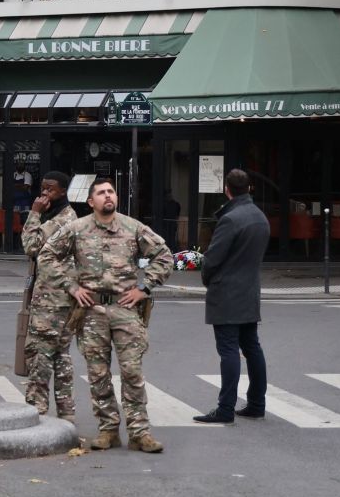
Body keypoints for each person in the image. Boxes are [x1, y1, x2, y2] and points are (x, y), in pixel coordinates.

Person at [39, 177, 173, 453]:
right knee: (98, 374)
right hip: (91, 312)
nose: (107, 196)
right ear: (91, 202)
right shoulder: (76, 229)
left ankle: (139, 433)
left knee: (131, 372)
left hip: (126, 310)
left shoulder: (133, 227)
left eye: (111, 191)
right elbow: (46, 256)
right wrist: (71, 286)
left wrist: (144, 288)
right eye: (101, 193)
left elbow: (164, 256)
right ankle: (108, 430)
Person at [193, 169, 270, 424]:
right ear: (249, 188)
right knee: (252, 348)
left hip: (227, 292)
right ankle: (257, 403)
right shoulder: (260, 217)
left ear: (227, 189)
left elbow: (212, 259)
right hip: (249, 291)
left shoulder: (230, 219)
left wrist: (208, 278)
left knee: (228, 351)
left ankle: (225, 408)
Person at [21, 171, 78, 420]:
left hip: (53, 300)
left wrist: (34, 212)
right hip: (57, 296)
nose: (44, 194)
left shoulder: (63, 218)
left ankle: (38, 411)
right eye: (43, 188)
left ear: (63, 191)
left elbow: (31, 245)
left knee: (40, 355)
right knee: (59, 356)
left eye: (50, 190)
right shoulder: (55, 214)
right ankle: (66, 415)